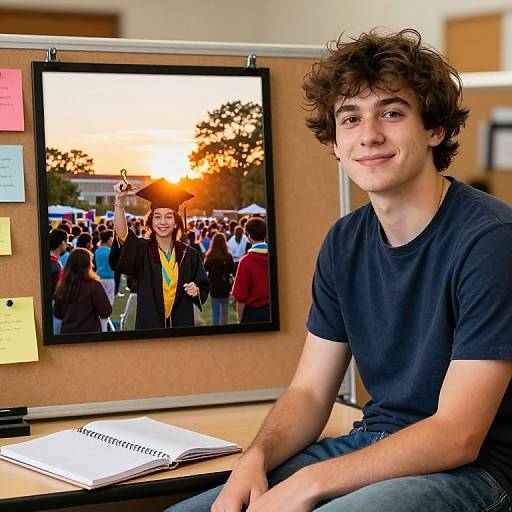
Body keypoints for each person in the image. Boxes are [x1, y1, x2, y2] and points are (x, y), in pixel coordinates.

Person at [167, 29, 512, 512]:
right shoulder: (344, 242)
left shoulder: (491, 239)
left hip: (475, 472)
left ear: (434, 129)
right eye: (350, 118)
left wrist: (311, 482)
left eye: (392, 112)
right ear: (334, 141)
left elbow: (457, 436)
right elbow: (310, 391)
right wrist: (256, 458)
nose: (369, 134)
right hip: (374, 444)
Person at [110, 177, 210, 329]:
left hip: (181, 328)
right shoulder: (142, 250)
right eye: (157, 216)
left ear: (176, 222)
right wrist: (120, 201)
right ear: (150, 222)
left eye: (168, 216)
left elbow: (203, 286)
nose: (163, 222)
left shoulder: (189, 255)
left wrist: (196, 291)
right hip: (150, 328)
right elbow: (122, 233)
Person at [53, 248, 112, 334]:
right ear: (88, 265)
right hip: (90, 336)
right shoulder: (94, 286)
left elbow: (58, 315)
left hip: (67, 336)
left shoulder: (62, 286)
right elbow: (105, 311)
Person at [231, 217, 270, 323]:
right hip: (274, 311)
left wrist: (239, 319)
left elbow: (240, 296)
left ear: (248, 236)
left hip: (253, 313)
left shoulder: (246, 261)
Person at [204, 232, 235, 325]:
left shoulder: (209, 256)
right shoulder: (228, 256)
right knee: (225, 314)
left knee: (215, 314)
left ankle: (215, 331)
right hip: (225, 286)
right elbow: (232, 271)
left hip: (214, 286)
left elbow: (204, 270)